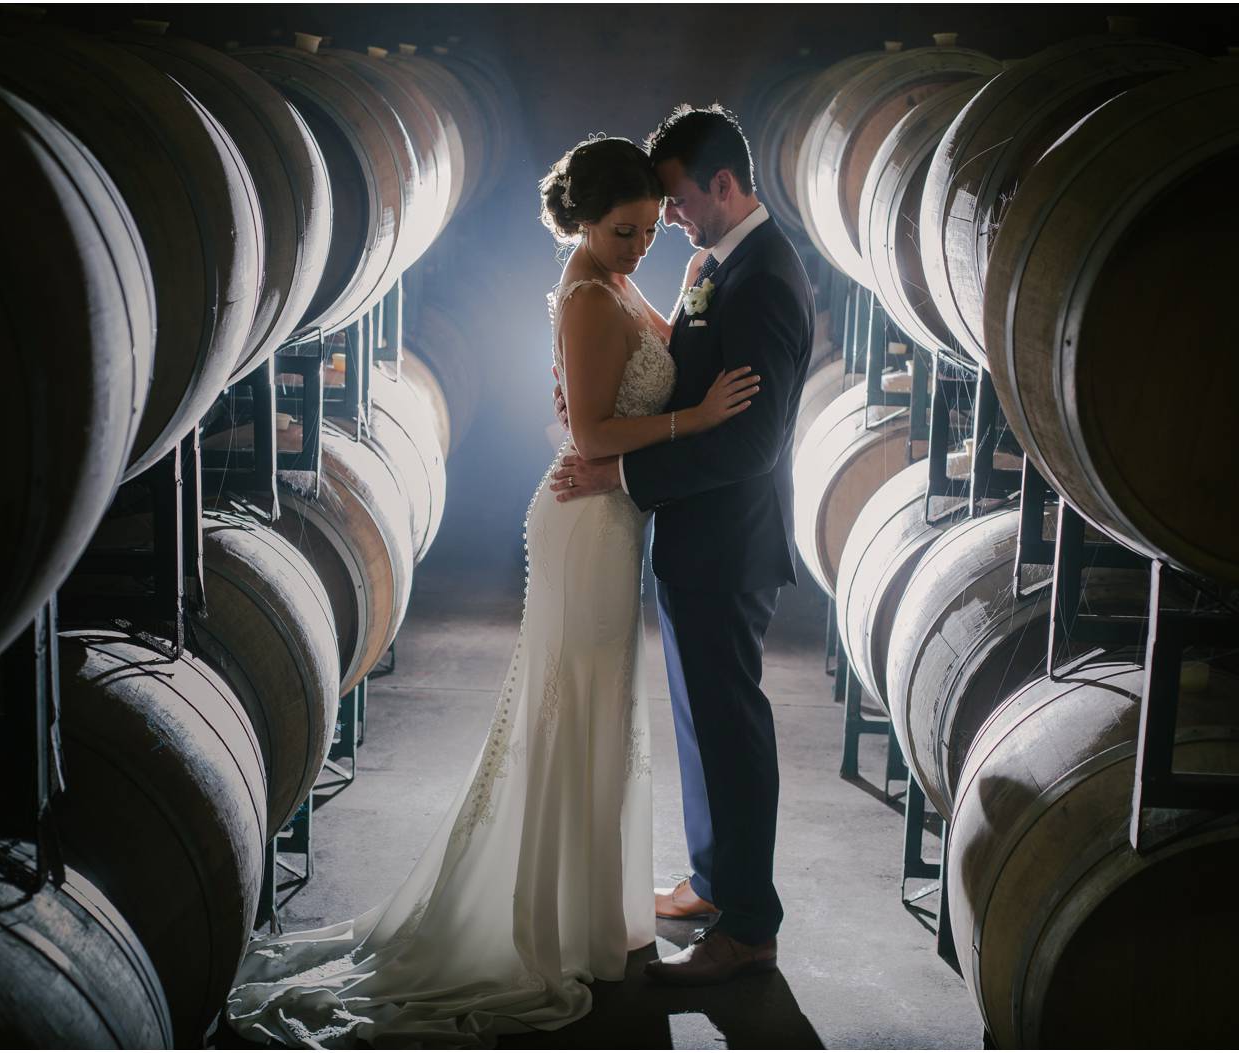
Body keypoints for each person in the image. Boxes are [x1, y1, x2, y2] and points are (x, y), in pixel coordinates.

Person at [226, 134, 759, 1047]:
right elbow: (591, 435)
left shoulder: (620, 282)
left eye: (644, 231)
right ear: (583, 226)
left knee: (596, 706)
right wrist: (696, 418)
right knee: (575, 705)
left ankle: (588, 906)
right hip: (586, 521)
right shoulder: (592, 295)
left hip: (613, 520)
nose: (641, 246)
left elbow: (604, 402)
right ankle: (555, 921)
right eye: (623, 231)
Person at [552, 104, 817, 986]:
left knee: (732, 726)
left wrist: (624, 479)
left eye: (677, 200)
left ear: (724, 186)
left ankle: (749, 923)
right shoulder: (716, 264)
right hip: (692, 537)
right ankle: (713, 881)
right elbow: (671, 367)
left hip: (730, 543)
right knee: (703, 723)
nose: (669, 220)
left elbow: (755, 442)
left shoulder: (766, 278)